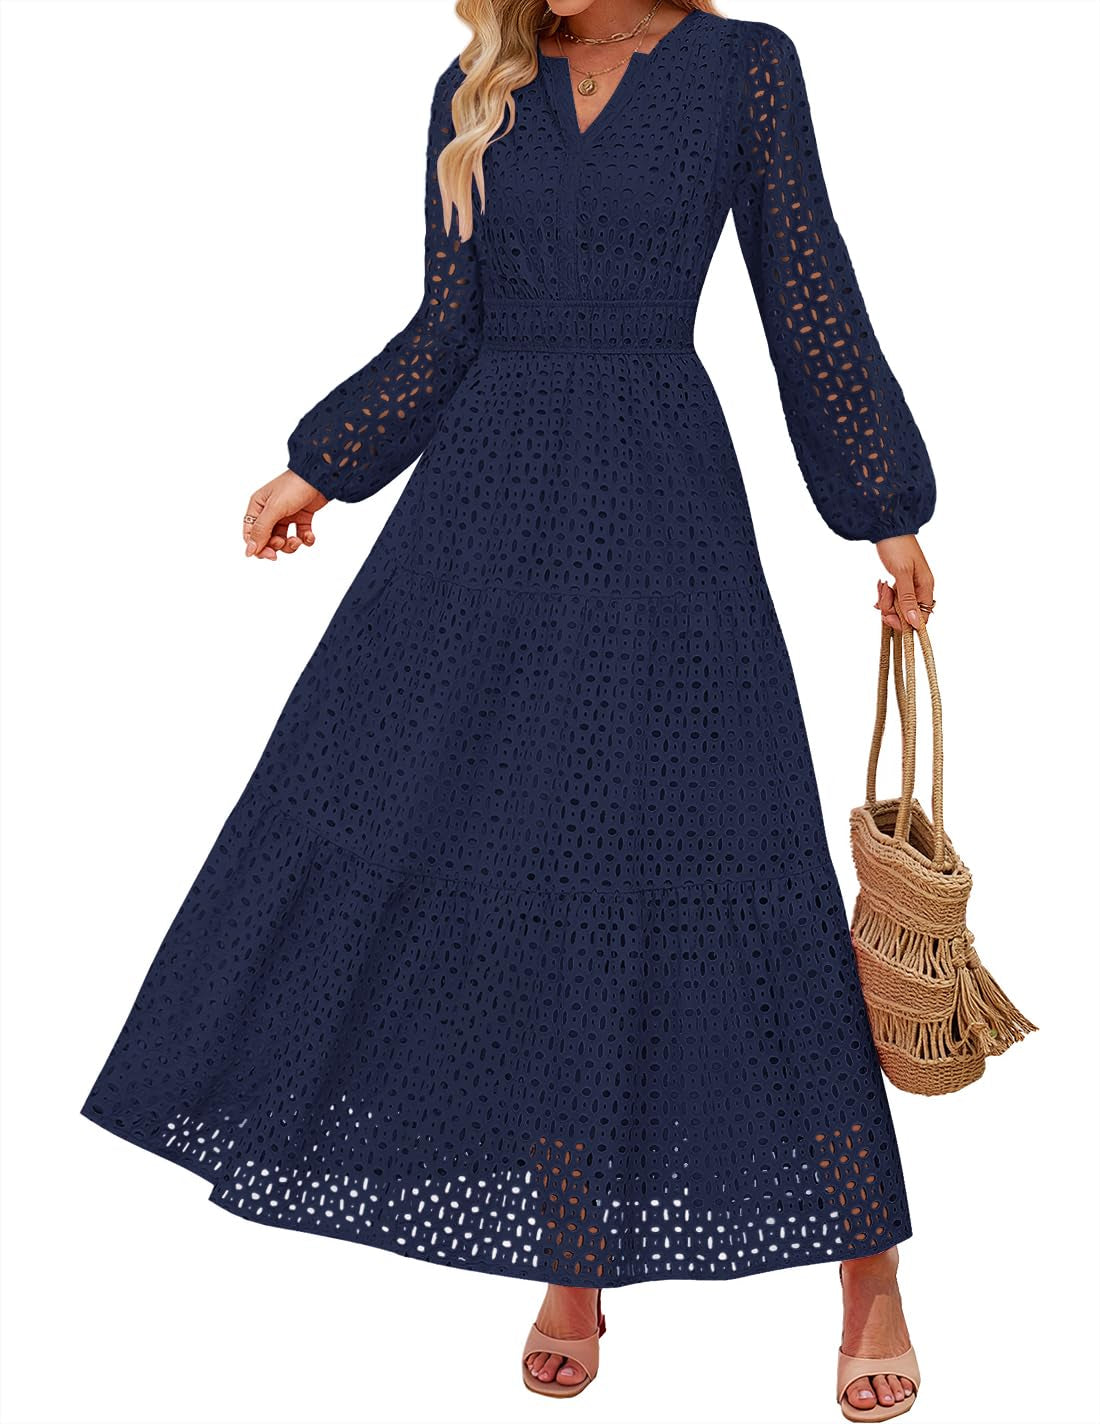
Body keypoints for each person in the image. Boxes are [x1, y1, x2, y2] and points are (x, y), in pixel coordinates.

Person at [81, 2, 935, 1416]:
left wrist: (882, 509)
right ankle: (571, 1253)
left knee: (736, 856)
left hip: (660, 505)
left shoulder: (745, 68)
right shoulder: (477, 87)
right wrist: (323, 463)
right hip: (484, 520)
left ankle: (869, 1268)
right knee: (521, 868)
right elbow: (449, 326)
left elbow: (809, 295)